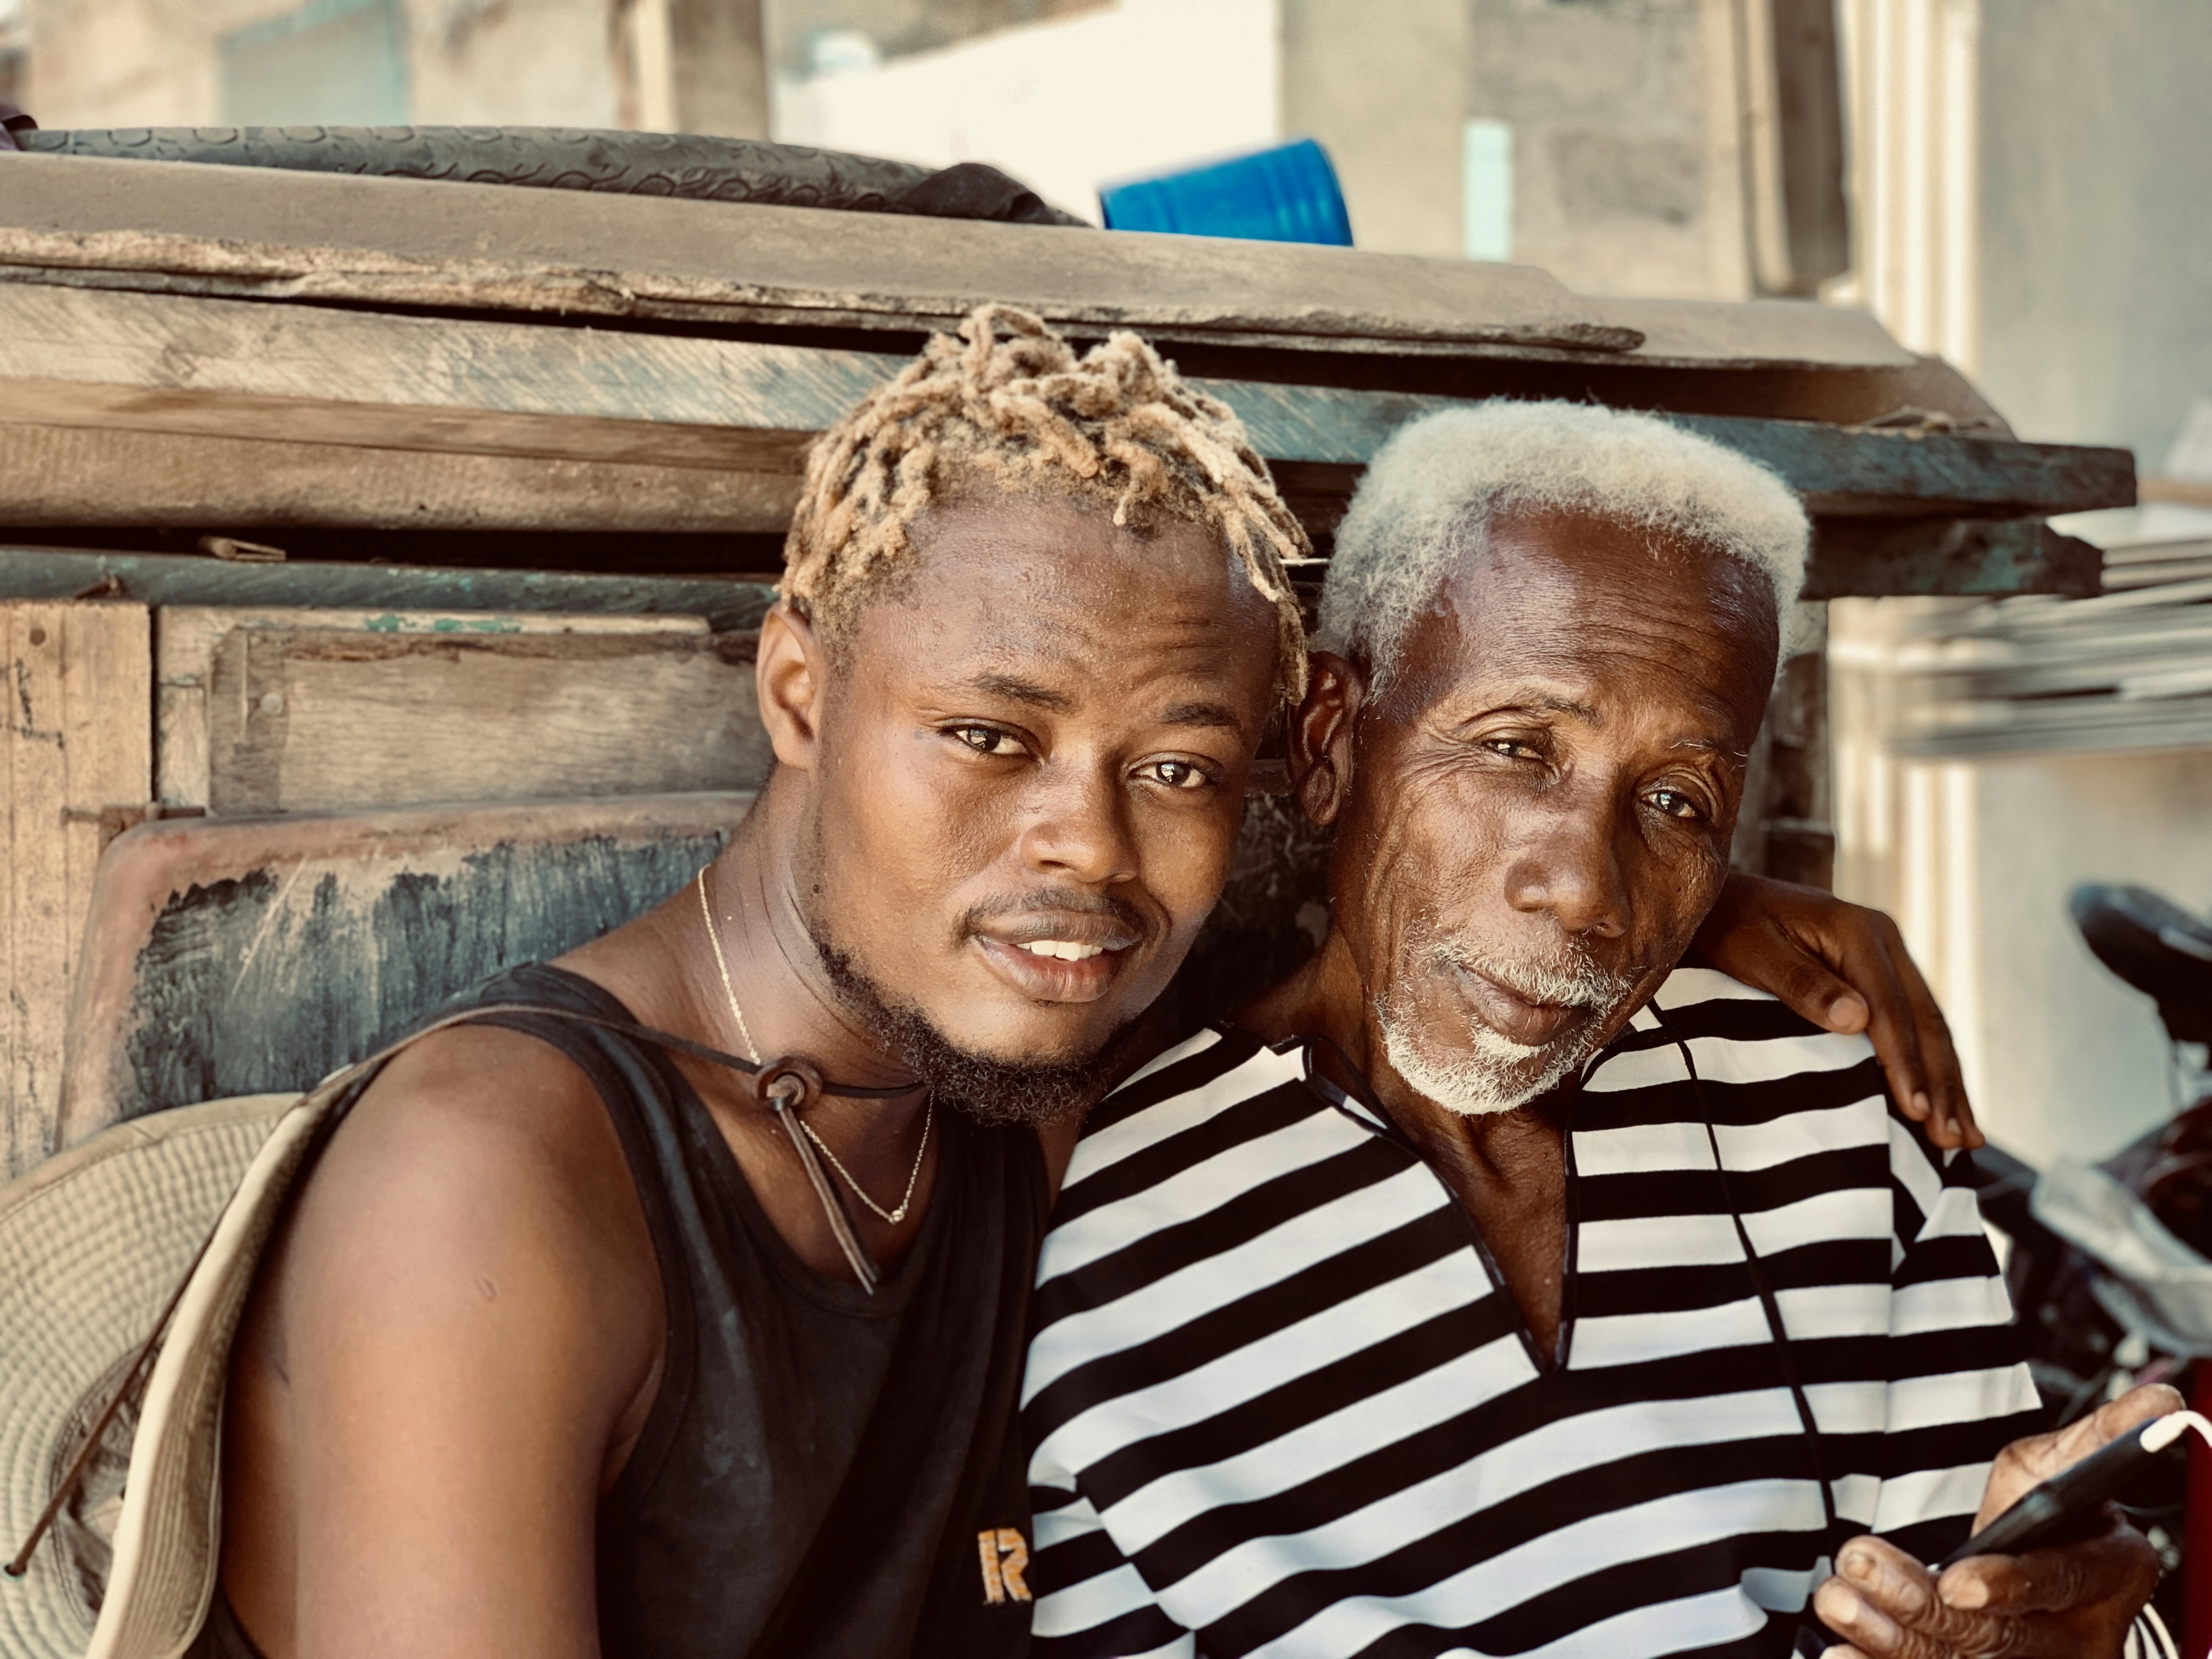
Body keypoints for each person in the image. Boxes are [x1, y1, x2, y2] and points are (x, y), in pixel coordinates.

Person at [206, 311, 1979, 1659]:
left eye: (1178, 768)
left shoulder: (1019, 1098)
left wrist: (1683, 900)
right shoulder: (495, 1185)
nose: (1092, 851)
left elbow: (1432, 904)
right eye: (990, 736)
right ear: (801, 695)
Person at [1022, 402, 2167, 1659]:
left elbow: (1987, 1600)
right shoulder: (1114, 1237)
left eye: (1676, 800)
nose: (1586, 891)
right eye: (1517, 748)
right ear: (1333, 741)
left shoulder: (1824, 1112)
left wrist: (2078, 1633)